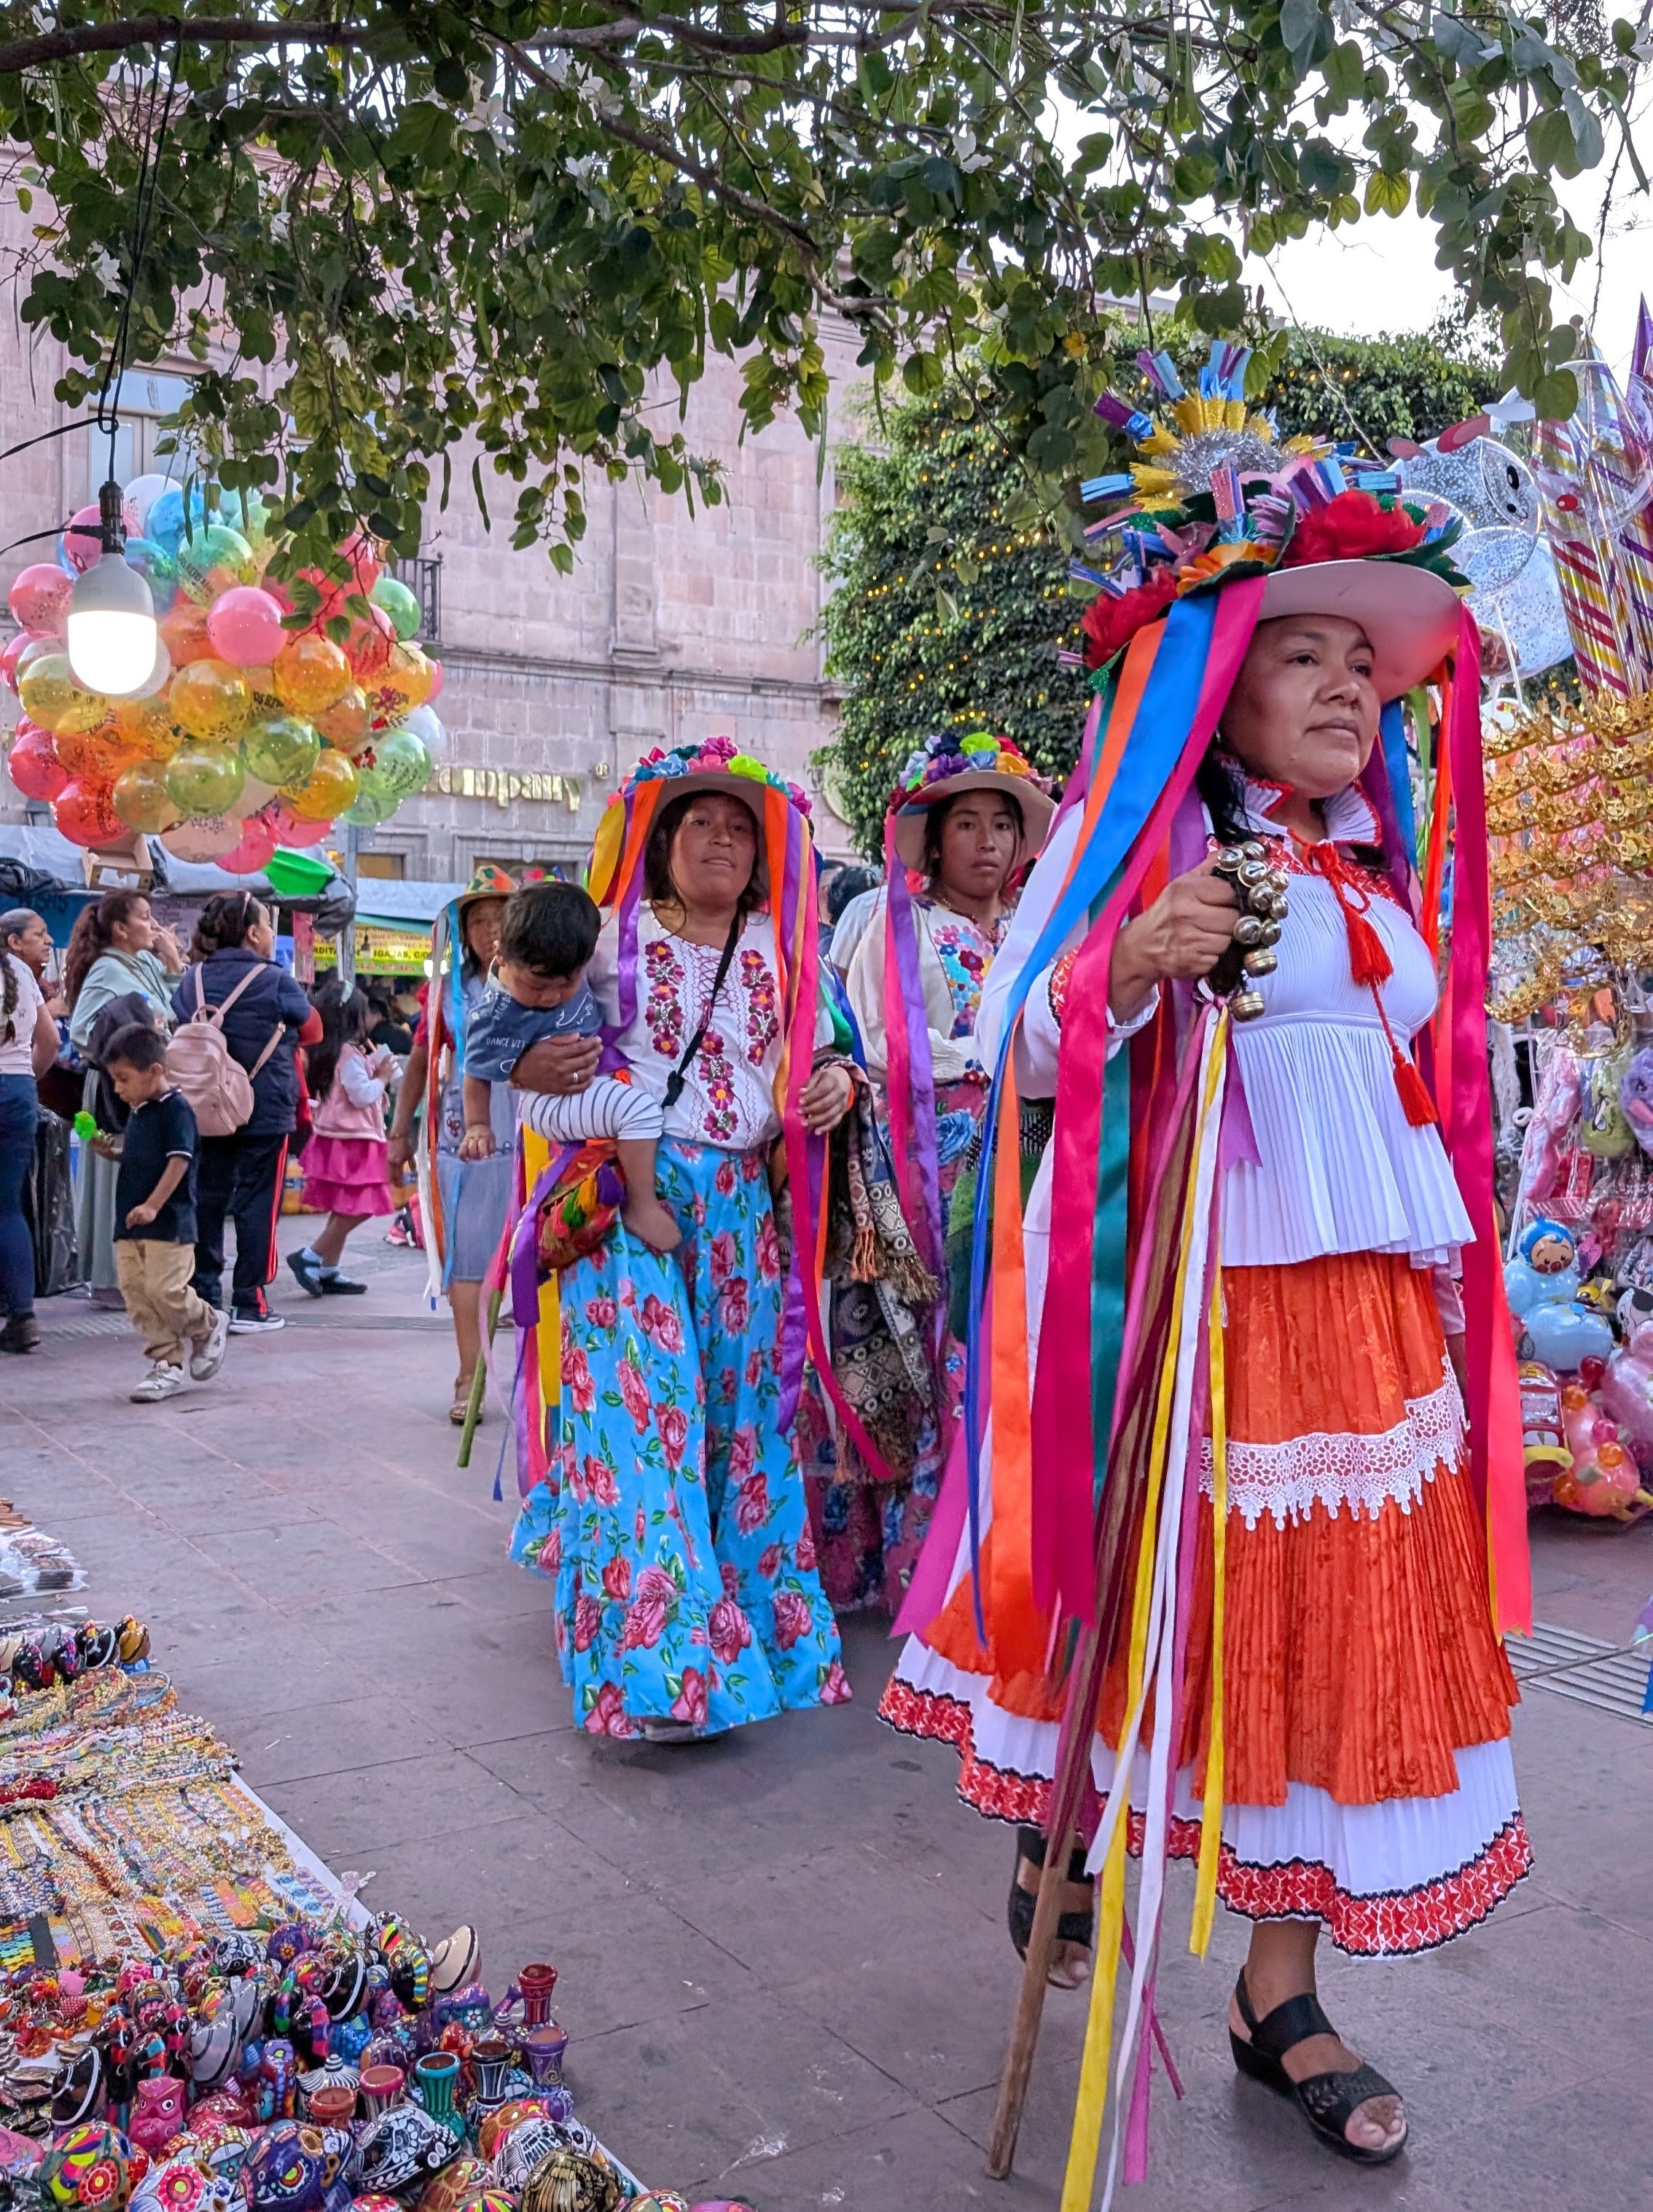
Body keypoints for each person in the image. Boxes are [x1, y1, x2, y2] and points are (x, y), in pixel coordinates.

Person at [882, 388, 1525, 2176]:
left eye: (1362, 663)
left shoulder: (1378, 867)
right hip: (1199, 1324)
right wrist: (1132, 963)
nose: (1347, 685)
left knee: (1334, 1647)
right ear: (1214, 685)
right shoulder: (1137, 847)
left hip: (1368, 1332)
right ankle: (1075, 1828)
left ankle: (1277, 1986)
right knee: (1180, 1607)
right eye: (1302, 652)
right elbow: (1003, 1044)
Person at [508, 738, 856, 1740]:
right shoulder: (606, 942)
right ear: (659, 843)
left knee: (741, 1429)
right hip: (628, 1206)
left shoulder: (786, 955)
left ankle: (756, 1642)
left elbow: (829, 1062)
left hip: (746, 1209)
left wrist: (838, 1084)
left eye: (741, 826)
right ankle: (661, 1673)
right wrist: (615, 1133)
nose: (721, 838)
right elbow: (532, 1085)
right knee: (639, 1423)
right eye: (699, 819)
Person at [806, 734, 1053, 1612]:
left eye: (1003, 824)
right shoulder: (892, 922)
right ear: (934, 840)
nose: (988, 842)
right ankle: (927, 1563)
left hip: (1026, 1157)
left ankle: (1004, 1547)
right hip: (926, 1159)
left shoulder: (1038, 932)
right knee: (936, 1352)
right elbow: (863, 1040)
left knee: (1008, 1350)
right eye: (968, 824)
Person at [461, 880, 679, 1253]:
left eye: (566, 985)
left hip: (592, 1083)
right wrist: (478, 1126)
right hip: (546, 1103)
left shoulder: (568, 954)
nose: (550, 997)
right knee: (638, 1110)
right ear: (503, 955)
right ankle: (642, 1206)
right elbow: (475, 1074)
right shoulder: (494, 1014)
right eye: (536, 985)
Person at [386, 865, 517, 1423]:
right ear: (462, 934)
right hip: (468, 1143)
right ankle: (470, 1374)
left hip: (537, 1135)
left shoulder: (553, 984)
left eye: (498, 918)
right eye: (477, 921)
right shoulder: (447, 995)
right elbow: (419, 1063)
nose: (488, 930)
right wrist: (398, 1134)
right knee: (469, 1263)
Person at [171, 891, 319, 1335]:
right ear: (253, 932)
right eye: (270, 926)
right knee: (258, 1202)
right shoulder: (274, 979)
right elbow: (313, 1028)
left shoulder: (191, 979)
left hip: (204, 1106)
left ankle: (204, 1297)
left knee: (208, 1199)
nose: (272, 934)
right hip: (263, 1107)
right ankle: (250, 1303)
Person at [64, 891, 185, 1308]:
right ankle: (111, 1276)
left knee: (143, 1171)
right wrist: (125, 1051)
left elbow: (175, 1011)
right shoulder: (107, 970)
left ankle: (143, 1271)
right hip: (115, 1091)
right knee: (117, 1175)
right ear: (120, 928)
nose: (153, 926)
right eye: (145, 918)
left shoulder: (146, 964)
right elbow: (81, 1029)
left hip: (149, 1088)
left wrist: (172, 964)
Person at [102, 1022, 229, 1402]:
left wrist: (154, 1205)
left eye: (124, 1079)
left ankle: (207, 1323)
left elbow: (179, 1161)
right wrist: (112, 1150)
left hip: (169, 1223)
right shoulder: (140, 1111)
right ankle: (166, 1363)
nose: (118, 1090)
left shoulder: (176, 1110)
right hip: (130, 1222)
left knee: (165, 1289)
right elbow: (143, 1156)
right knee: (137, 1292)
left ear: (155, 1071)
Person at [288, 976, 398, 1297]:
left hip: (339, 1138)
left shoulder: (333, 1052)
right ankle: (310, 1256)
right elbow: (361, 1095)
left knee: (344, 1206)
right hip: (354, 1140)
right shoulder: (348, 1055)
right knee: (362, 1205)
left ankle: (327, 1268)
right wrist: (382, 1079)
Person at [0, 909, 60, 1353]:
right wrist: (24, 1081)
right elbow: (51, 1042)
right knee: (8, 1207)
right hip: (19, 1090)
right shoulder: (21, 970)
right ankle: (22, 1317)